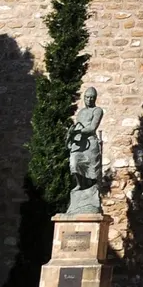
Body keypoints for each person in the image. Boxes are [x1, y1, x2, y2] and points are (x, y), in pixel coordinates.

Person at [65, 87, 104, 215]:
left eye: (92, 97)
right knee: (74, 162)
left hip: (90, 143)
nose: (89, 99)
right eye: (87, 97)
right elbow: (78, 125)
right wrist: (72, 134)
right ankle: (80, 184)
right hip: (79, 143)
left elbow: (92, 127)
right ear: (84, 98)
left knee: (92, 169)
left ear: (95, 98)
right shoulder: (81, 112)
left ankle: (90, 189)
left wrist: (78, 131)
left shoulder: (97, 110)